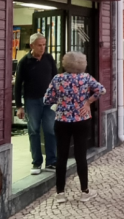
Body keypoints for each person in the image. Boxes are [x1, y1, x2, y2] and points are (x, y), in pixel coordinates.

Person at [44, 52, 105, 201]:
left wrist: (59, 100)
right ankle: (85, 191)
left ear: (65, 63)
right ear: (82, 63)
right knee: (80, 156)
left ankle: (60, 193)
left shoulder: (58, 79)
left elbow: (47, 99)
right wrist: (88, 102)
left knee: (62, 156)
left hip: (62, 121)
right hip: (81, 120)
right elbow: (101, 90)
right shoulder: (86, 78)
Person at [14, 32, 58, 175]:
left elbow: (56, 79)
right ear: (32, 45)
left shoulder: (49, 59)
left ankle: (51, 161)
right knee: (34, 131)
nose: (42, 47)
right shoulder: (24, 62)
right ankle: (36, 162)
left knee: (50, 130)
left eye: (44, 45)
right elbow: (18, 84)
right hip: (32, 101)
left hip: (49, 101)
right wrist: (19, 107)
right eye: (39, 45)